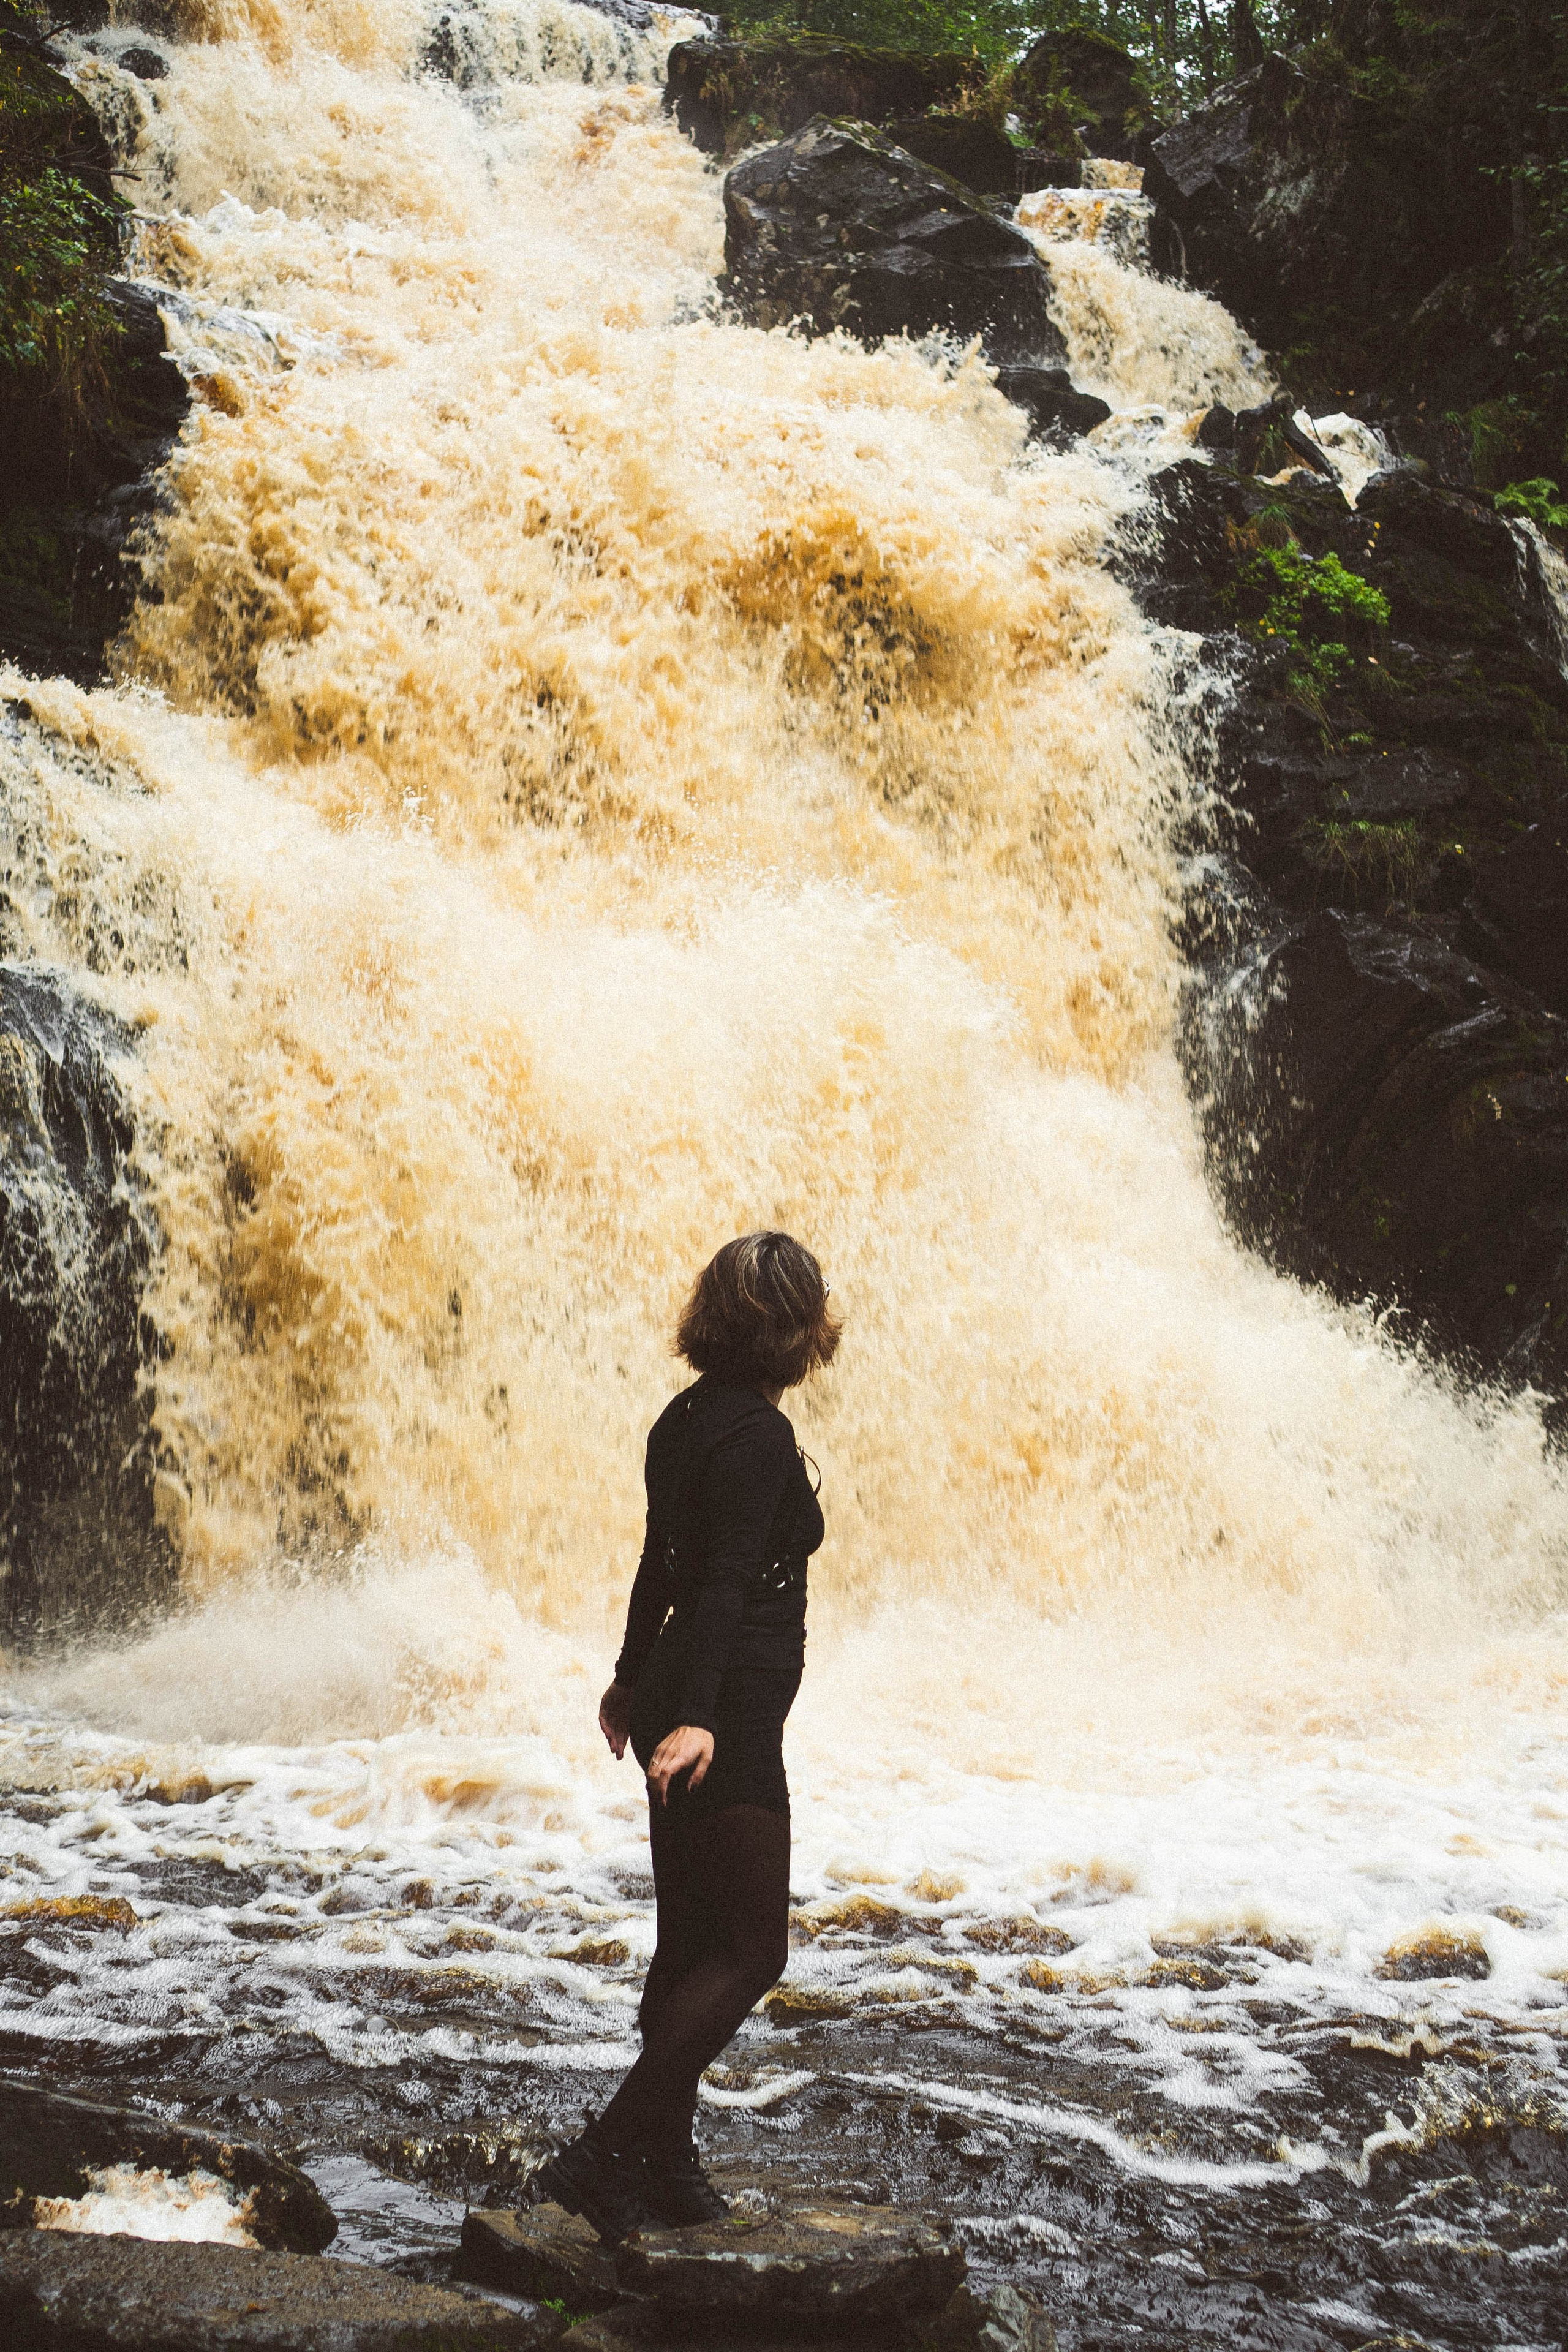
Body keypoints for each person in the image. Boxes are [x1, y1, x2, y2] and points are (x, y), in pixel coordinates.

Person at [537, 1231, 839, 2242]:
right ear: (796, 1330)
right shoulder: (756, 1437)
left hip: (682, 1688)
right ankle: (605, 2156)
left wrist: (633, 1679)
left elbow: (657, 1563)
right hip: (730, 1706)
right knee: (753, 1951)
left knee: (687, 1950)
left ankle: (660, 2169)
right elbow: (715, 1585)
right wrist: (705, 1716)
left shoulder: (684, 1420)